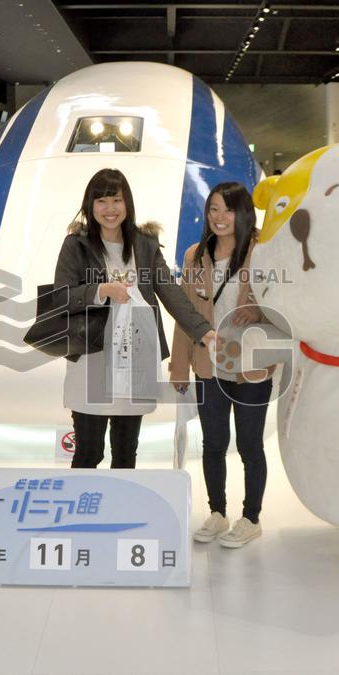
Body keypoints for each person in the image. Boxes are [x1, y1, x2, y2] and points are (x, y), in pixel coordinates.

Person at [54, 168, 216, 469]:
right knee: (89, 452)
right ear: (90, 205)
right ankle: (83, 514)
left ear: (127, 203)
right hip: (92, 360)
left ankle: (118, 512)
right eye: (101, 201)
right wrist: (101, 289)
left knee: (126, 452)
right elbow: (62, 296)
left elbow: (171, 293)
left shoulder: (144, 245)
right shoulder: (76, 245)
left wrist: (203, 331)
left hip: (135, 358)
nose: (109, 209)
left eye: (116, 200)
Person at [169, 183, 275, 548]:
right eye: (213, 209)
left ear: (243, 212)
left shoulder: (262, 253)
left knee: (249, 445)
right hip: (208, 365)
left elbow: (285, 307)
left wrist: (259, 309)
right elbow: (185, 315)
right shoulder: (195, 256)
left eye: (227, 210)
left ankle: (251, 518)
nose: (219, 217)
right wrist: (178, 368)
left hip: (250, 367)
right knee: (213, 443)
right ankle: (217, 512)